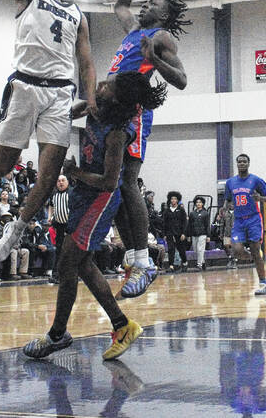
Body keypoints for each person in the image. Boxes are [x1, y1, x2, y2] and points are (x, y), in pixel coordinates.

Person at [22, 71, 167, 361]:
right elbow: (70, 111)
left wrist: (75, 173)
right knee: (81, 264)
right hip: (83, 194)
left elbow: (110, 182)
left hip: (100, 200)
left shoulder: (117, 132)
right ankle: (121, 325)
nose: (101, 84)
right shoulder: (96, 106)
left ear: (116, 98)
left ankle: (57, 334)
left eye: (107, 85)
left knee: (67, 264)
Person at [0, 0, 97, 265]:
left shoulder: (77, 14)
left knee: (49, 177)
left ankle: (16, 226)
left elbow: (85, 61)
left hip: (59, 94)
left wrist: (91, 96)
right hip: (23, 85)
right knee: (2, 168)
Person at [107, 0, 190, 298]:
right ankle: (134, 258)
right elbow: (119, 6)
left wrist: (154, 59)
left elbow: (182, 80)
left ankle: (144, 259)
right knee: (111, 187)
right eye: (146, 1)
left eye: (152, 3)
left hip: (135, 109)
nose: (144, 6)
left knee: (127, 182)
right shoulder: (133, 29)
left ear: (166, 13)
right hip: (111, 108)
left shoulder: (160, 38)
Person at [224, 153, 266, 296]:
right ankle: (254, 258)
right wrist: (225, 207)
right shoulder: (230, 182)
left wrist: (261, 198)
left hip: (253, 220)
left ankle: (263, 283)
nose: (242, 164)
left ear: (248, 163)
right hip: (239, 221)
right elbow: (227, 200)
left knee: (255, 248)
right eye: (239, 162)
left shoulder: (256, 180)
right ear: (237, 164)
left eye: (244, 161)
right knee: (237, 250)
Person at [47, 174, 71, 283]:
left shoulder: (72, 193)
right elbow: (50, 206)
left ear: (67, 182)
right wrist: (49, 217)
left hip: (71, 227)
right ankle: (56, 275)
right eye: (58, 181)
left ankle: (69, 274)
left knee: (69, 251)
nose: (60, 183)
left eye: (63, 180)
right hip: (59, 226)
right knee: (59, 250)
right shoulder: (54, 194)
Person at [163, 191, 188, 272]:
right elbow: (164, 223)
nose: (173, 200)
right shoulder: (166, 211)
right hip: (170, 233)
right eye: (172, 199)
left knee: (181, 250)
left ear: (177, 200)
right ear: (170, 200)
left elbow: (184, 222)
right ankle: (171, 266)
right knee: (171, 249)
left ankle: (184, 263)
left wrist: (184, 233)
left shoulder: (181, 210)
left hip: (179, 233)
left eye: (175, 199)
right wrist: (164, 234)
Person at [187, 196, 211, 271]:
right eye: (197, 202)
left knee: (200, 249)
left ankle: (199, 265)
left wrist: (208, 236)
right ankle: (203, 262)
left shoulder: (205, 213)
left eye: (200, 202)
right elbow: (189, 225)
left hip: (203, 234)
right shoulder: (192, 214)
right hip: (194, 234)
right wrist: (189, 235)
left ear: (203, 204)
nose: (198, 204)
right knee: (196, 250)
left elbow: (207, 225)